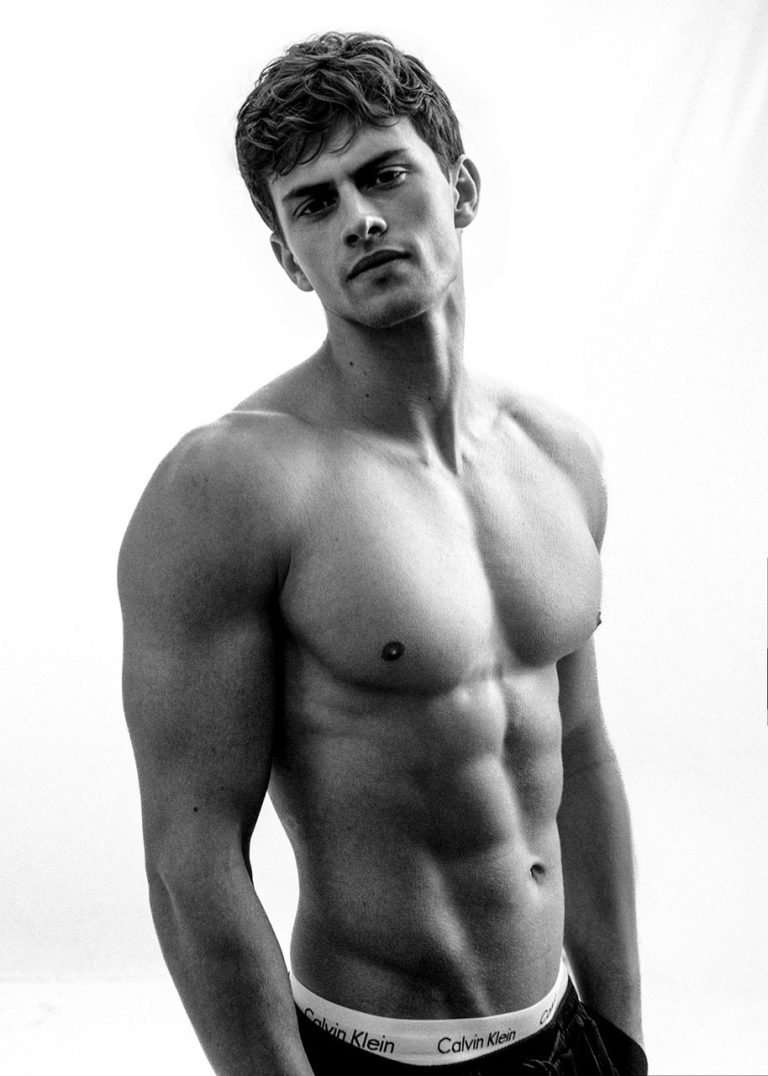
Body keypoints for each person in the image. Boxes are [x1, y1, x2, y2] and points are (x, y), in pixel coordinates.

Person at [118, 31, 647, 1075]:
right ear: (288, 256)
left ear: (462, 188)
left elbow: (581, 757)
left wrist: (623, 1041)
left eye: (385, 173)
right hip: (375, 1052)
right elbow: (191, 861)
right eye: (313, 203)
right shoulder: (231, 485)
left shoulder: (559, 455)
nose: (359, 217)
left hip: (565, 1037)